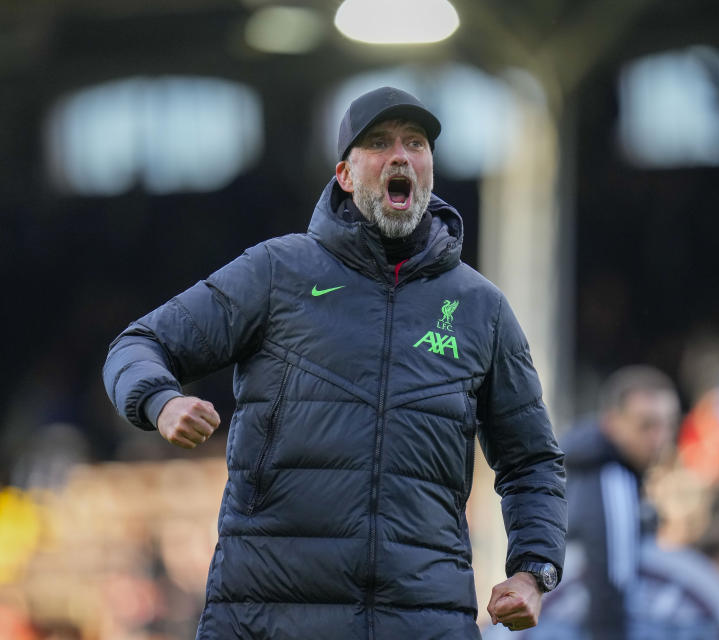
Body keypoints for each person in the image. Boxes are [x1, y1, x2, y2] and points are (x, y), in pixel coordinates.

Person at [102, 86, 567, 639]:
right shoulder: (278, 273)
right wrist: (162, 400)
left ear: (430, 169)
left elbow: (532, 461)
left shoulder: (479, 308)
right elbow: (137, 344)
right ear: (345, 175)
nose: (400, 155)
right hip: (267, 618)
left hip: (423, 620)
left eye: (415, 143)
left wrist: (533, 571)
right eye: (378, 143)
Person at [520, 365, 719, 640]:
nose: (658, 439)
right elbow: (612, 581)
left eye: (668, 425)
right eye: (646, 425)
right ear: (612, 422)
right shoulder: (611, 480)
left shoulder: (586, 468)